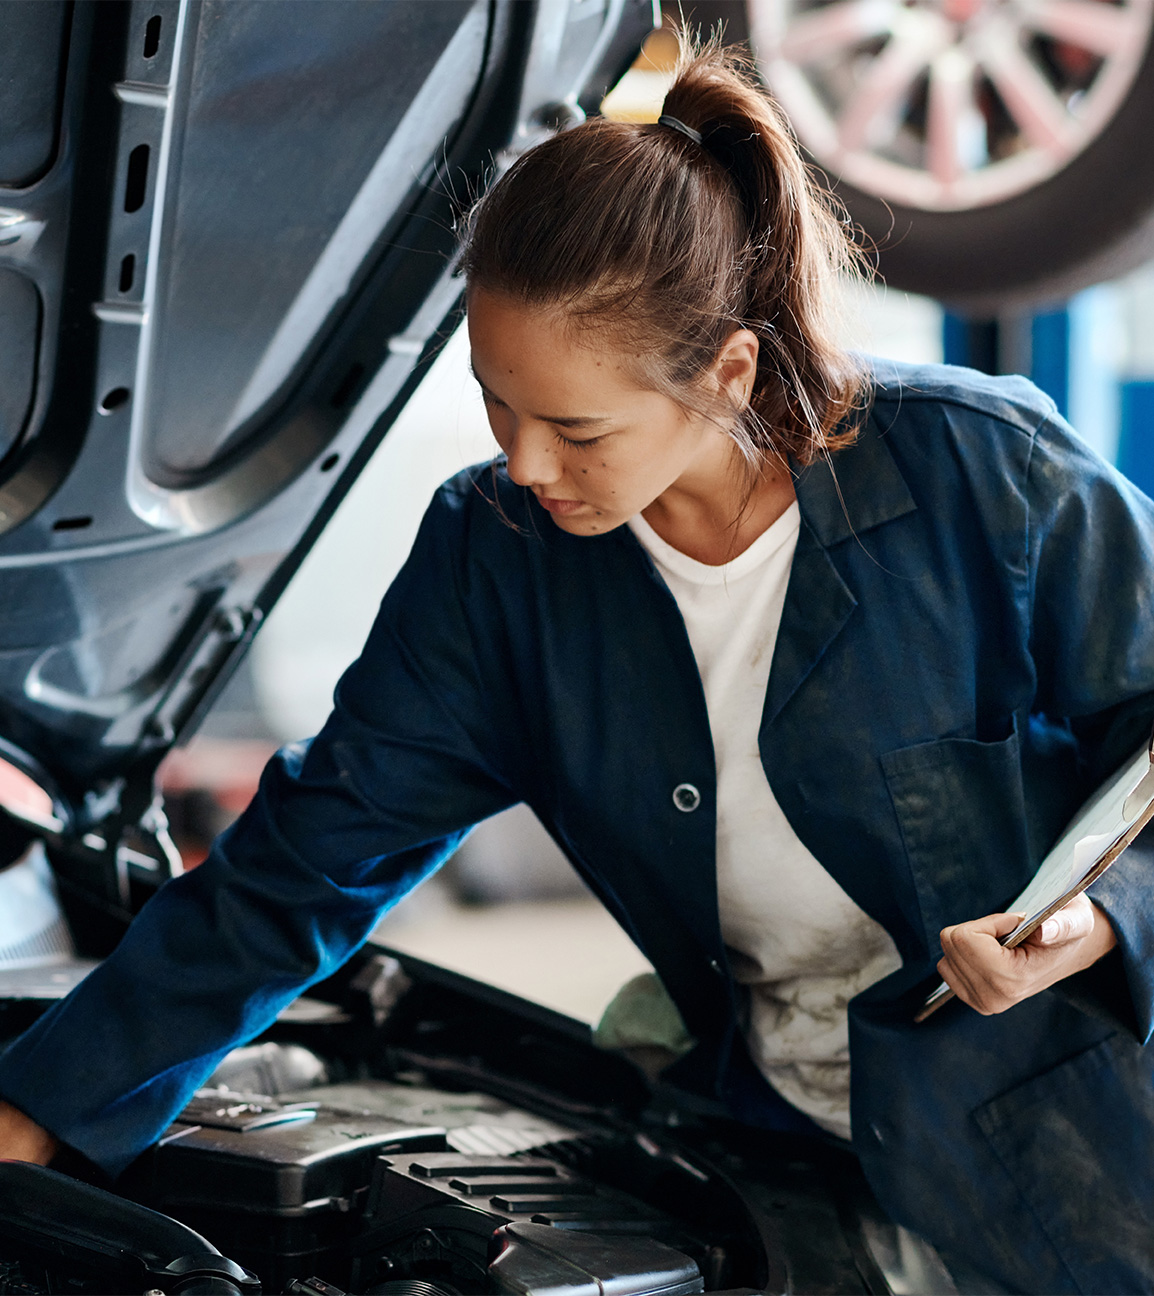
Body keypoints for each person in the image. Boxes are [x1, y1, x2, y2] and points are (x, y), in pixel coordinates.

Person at [1, 36, 1153, 1294]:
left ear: (726, 373)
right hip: (777, 1145)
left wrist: (1101, 919)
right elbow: (307, 863)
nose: (528, 464)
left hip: (1080, 1150)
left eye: (577, 426)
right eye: (500, 406)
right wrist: (53, 1100)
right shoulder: (497, 559)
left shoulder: (983, 479)